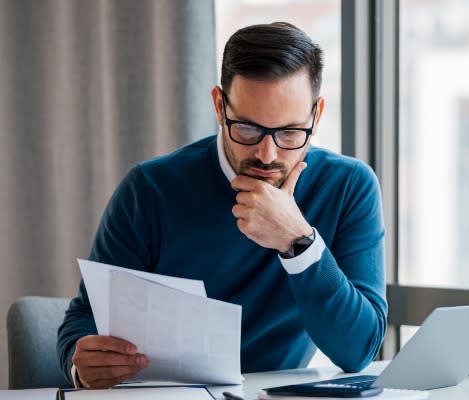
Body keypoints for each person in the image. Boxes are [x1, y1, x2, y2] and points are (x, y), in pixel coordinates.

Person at [56, 22, 387, 390]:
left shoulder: (349, 186)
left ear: (316, 115)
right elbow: (84, 319)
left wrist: (299, 243)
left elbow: (358, 351)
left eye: (291, 132)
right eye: (247, 129)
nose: (268, 154)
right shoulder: (150, 190)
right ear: (219, 105)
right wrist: (80, 360)